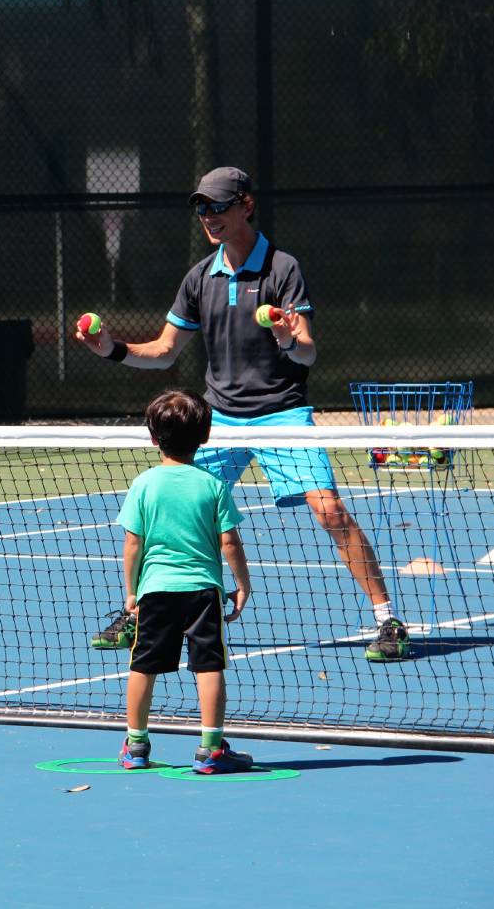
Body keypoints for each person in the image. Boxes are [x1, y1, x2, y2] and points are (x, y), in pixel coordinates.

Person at [78, 166, 409, 662]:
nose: (208, 216)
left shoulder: (283, 269)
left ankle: (389, 622)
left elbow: (308, 354)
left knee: (331, 512)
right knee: (171, 512)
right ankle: (139, 613)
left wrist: (286, 338)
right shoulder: (199, 278)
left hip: (283, 414)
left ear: (246, 205)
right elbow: (166, 352)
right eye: (201, 208)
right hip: (219, 420)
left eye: (218, 206)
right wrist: (111, 348)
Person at [116, 388, 253, 774]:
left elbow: (132, 543)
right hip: (202, 593)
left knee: (143, 666)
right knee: (208, 667)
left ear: (153, 437)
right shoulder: (213, 486)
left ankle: (136, 746)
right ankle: (210, 750)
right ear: (205, 436)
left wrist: (131, 591)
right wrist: (243, 584)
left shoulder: (144, 484)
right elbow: (229, 541)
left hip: (155, 591)